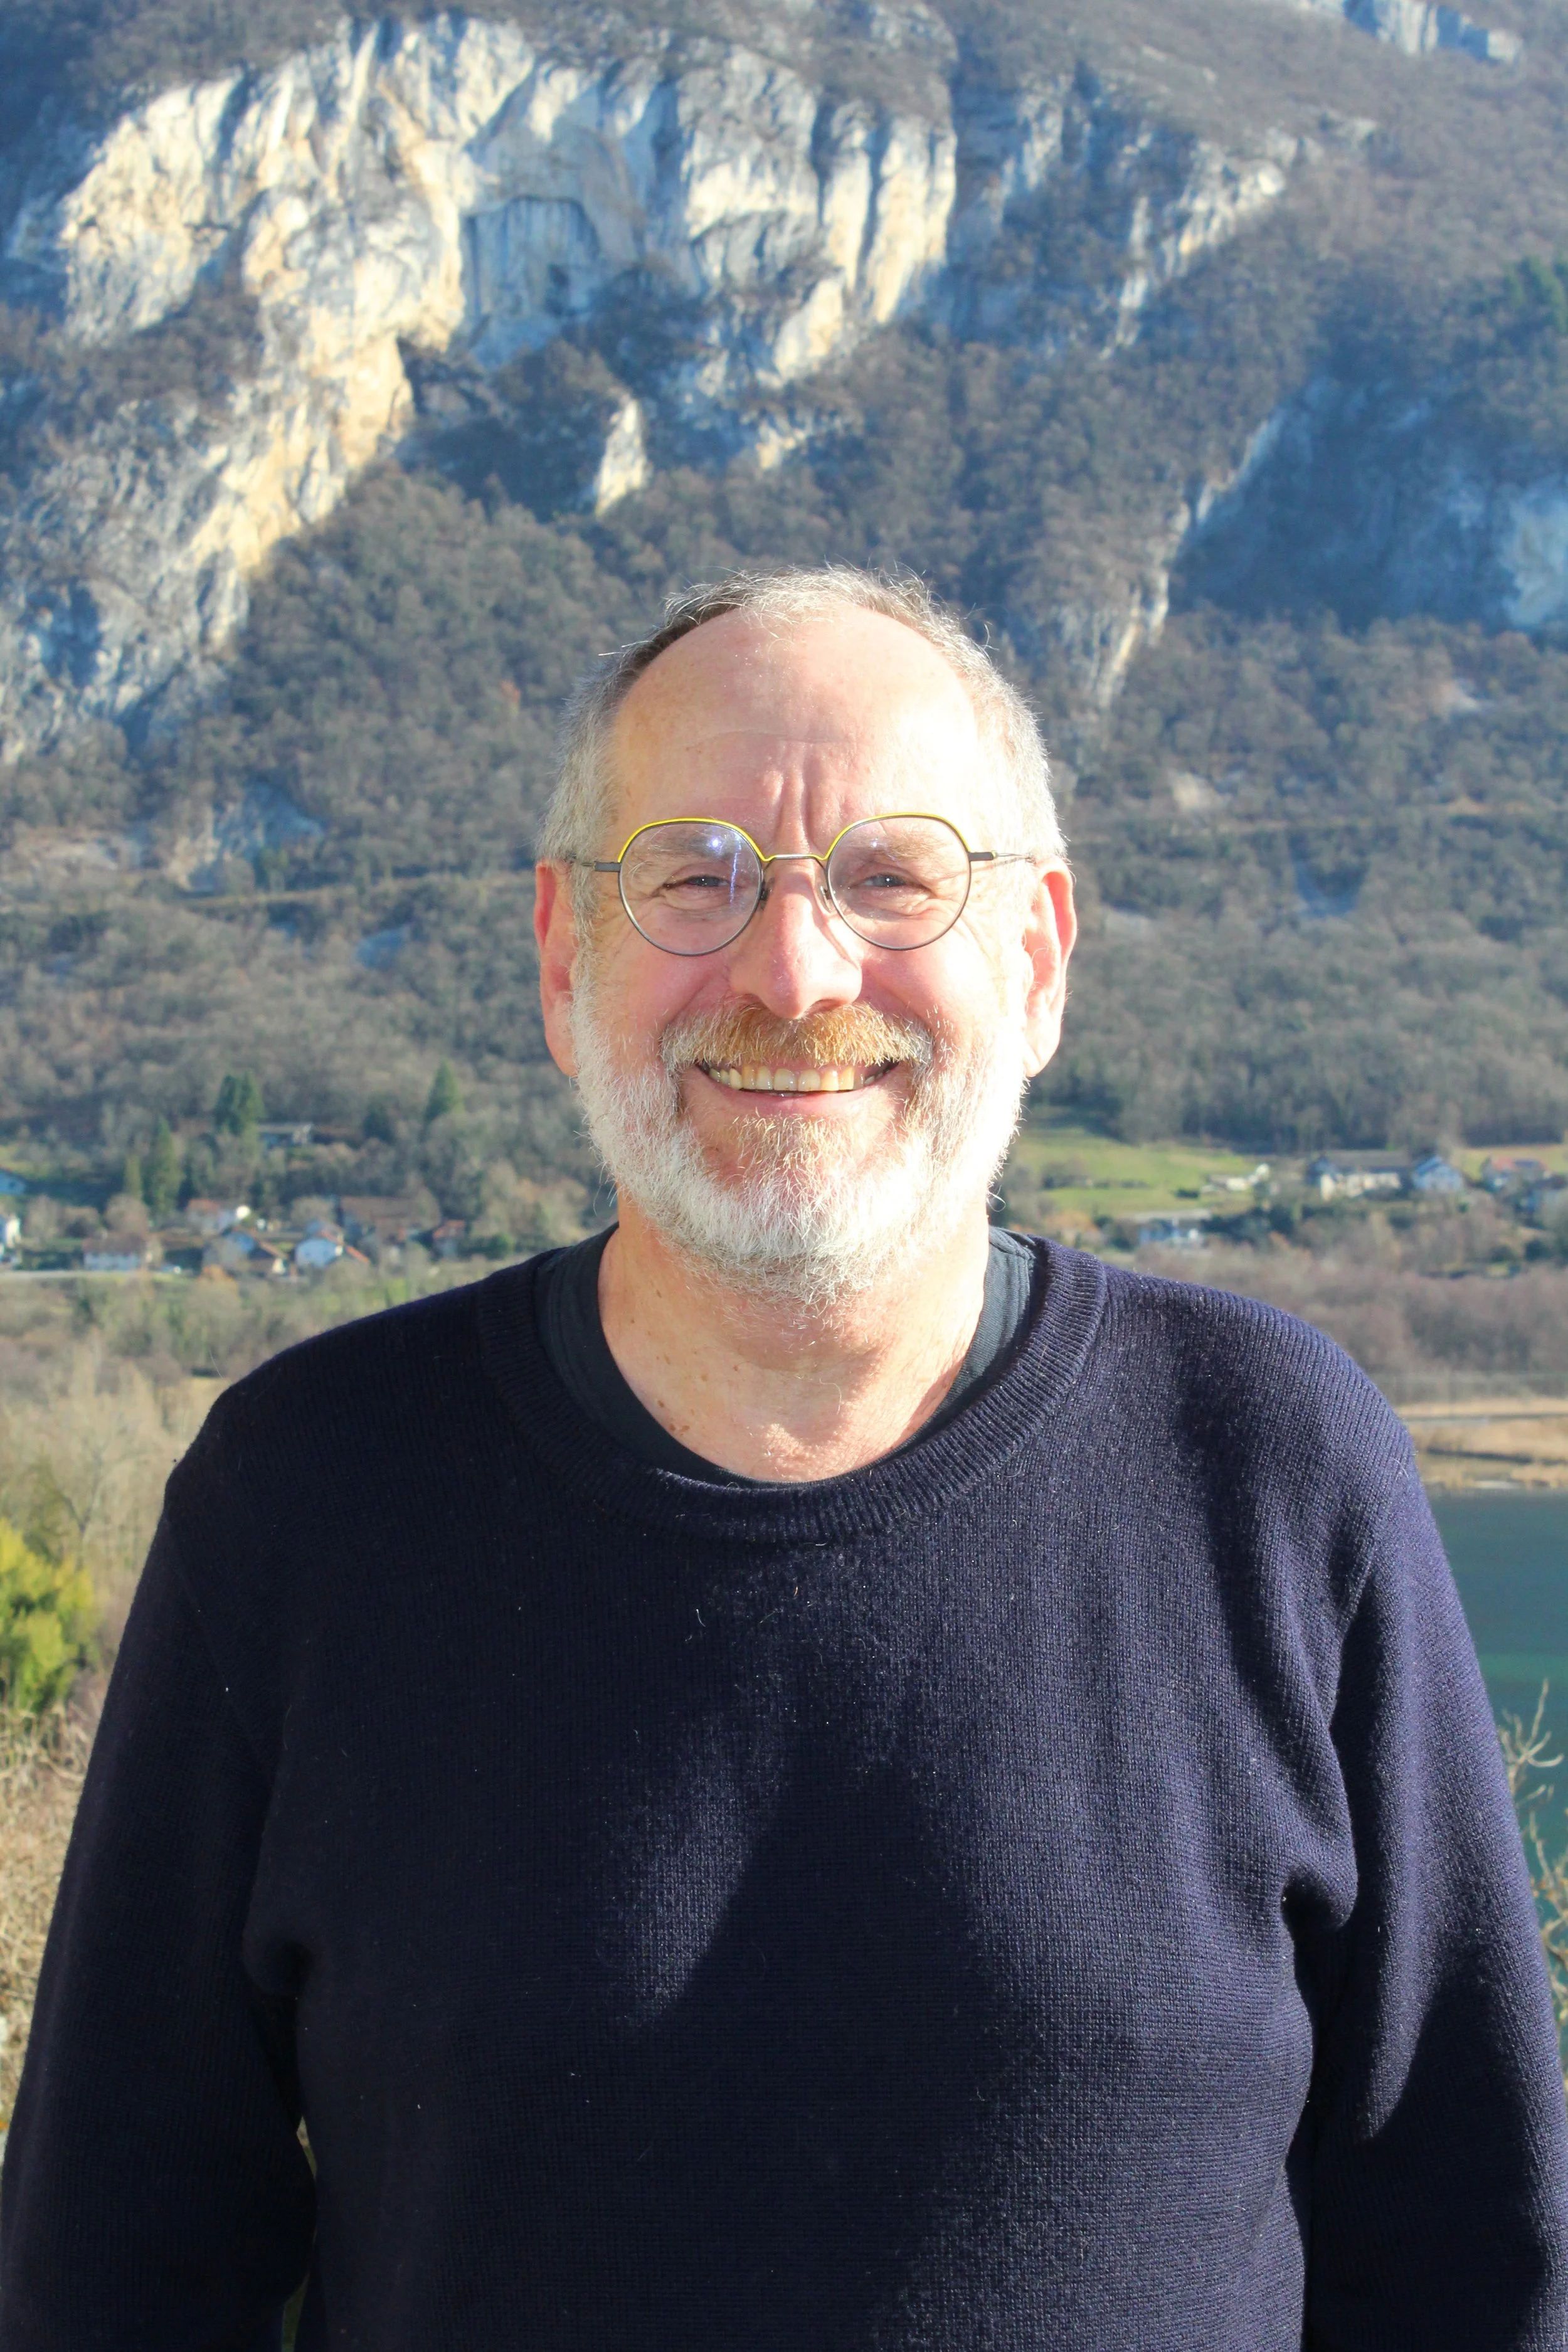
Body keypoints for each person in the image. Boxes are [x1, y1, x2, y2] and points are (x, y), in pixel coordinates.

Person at [1, 567, 1564, 2351]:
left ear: (1036, 956)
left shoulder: (1276, 1474)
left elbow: (1477, 2266)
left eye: (891, 875)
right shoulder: (304, 1501)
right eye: (694, 873)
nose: (793, 968)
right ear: (561, 951)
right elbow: (105, 2281)